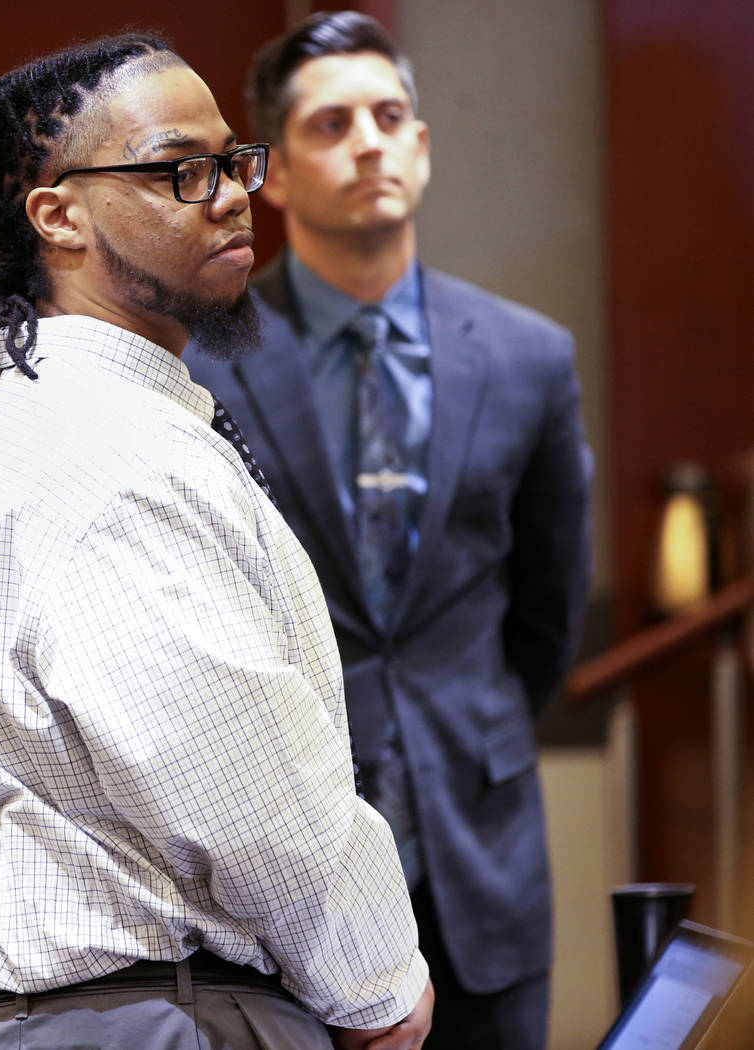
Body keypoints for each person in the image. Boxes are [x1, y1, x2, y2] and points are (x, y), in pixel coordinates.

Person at [0, 33, 436, 1050]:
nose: (229, 194)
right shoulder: (102, 450)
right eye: (181, 168)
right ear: (57, 214)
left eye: (233, 160)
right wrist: (380, 989)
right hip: (159, 1013)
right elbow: (247, 790)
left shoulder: (47, 410)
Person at [185, 12, 593, 1050]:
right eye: (331, 124)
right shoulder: (202, 366)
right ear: (271, 173)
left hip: (483, 850)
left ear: (420, 143)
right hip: (291, 873)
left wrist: (476, 720)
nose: (368, 140)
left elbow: (547, 612)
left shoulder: (527, 357)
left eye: (389, 116)